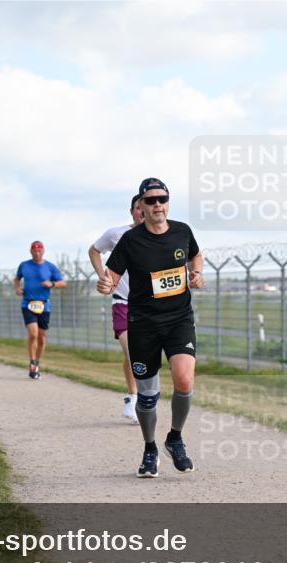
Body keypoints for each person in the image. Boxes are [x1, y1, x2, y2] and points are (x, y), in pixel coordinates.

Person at [98, 178, 204, 477]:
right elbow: (111, 276)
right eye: (151, 200)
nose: (158, 204)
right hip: (143, 324)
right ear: (141, 207)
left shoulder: (182, 231)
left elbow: (195, 255)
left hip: (179, 319)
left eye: (162, 199)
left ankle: (175, 438)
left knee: (184, 379)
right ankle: (149, 448)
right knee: (147, 395)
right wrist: (105, 284)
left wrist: (196, 273)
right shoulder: (130, 241)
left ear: (168, 203)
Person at [90, 193, 146, 422]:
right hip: (123, 302)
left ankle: (134, 396)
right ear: (132, 212)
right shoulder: (116, 234)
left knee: (138, 354)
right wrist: (103, 276)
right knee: (132, 350)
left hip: (148, 306)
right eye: (138, 208)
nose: (142, 211)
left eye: (145, 206)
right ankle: (136, 399)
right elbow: (94, 250)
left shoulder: (160, 236)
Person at [13, 241, 66, 380]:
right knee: (33, 333)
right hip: (28, 303)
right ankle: (32, 362)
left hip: (44, 305)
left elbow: (63, 283)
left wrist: (52, 283)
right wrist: (17, 288)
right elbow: (17, 279)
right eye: (34, 251)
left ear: (43, 251)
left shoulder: (50, 267)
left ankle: (37, 362)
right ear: (30, 252)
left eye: (39, 251)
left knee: (42, 337)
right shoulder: (24, 265)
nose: (37, 254)